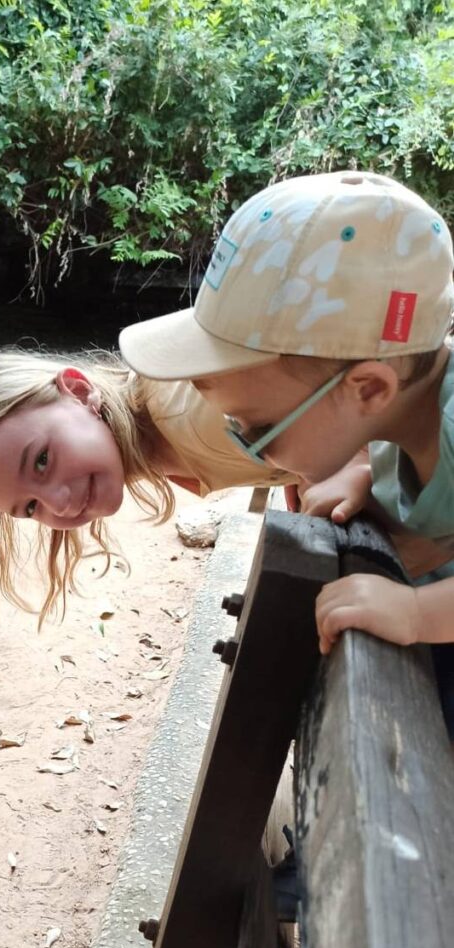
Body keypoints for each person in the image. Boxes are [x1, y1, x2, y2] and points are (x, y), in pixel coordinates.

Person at [117, 169, 454, 729]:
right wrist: (368, 475)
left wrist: (418, 613)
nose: (251, 451)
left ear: (368, 389)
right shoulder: (398, 421)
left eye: (258, 429)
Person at [0, 350, 297, 638]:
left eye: (41, 460)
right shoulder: (166, 443)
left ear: (80, 393)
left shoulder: (190, 412)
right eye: (31, 507)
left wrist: (336, 465)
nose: (60, 503)